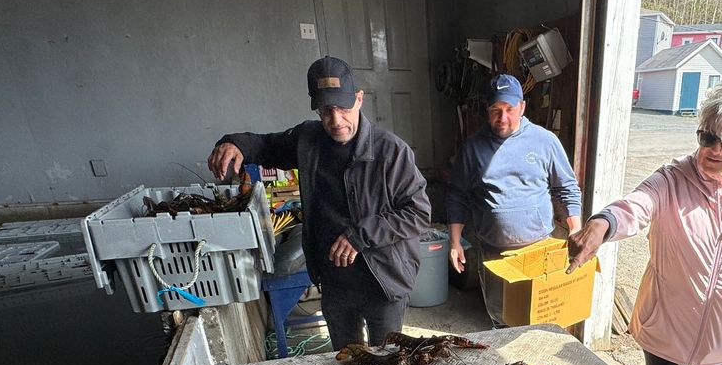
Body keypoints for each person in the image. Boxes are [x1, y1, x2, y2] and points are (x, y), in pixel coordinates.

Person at [566, 76, 722, 365]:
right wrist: (601, 224)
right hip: (665, 324)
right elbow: (635, 205)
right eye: (708, 137)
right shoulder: (671, 179)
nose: (715, 149)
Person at [206, 56, 431, 350]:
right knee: (345, 359)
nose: (336, 121)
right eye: (326, 110)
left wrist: (359, 236)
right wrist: (233, 143)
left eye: (343, 108)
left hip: (383, 281)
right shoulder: (308, 140)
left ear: (359, 99)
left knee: (386, 357)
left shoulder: (391, 151)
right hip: (335, 283)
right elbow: (266, 145)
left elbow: (418, 213)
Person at [446, 73, 583, 326]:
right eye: (495, 110)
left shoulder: (545, 141)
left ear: (522, 107)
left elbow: (567, 188)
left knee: (542, 319)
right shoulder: (473, 147)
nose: (502, 118)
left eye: (509, 109)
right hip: (494, 253)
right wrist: (454, 241)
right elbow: (458, 195)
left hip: (539, 250)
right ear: (487, 110)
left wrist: (575, 230)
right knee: (501, 319)